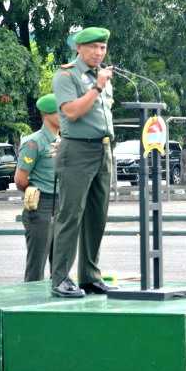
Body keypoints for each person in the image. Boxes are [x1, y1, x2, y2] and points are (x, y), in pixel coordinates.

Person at [50, 26, 116, 298]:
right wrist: (97, 86)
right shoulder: (66, 75)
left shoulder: (104, 77)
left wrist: (102, 84)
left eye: (102, 48)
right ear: (79, 48)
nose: (99, 52)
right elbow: (72, 112)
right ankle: (61, 278)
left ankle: (90, 275)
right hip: (77, 150)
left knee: (96, 217)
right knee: (70, 216)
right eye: (93, 47)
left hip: (103, 150)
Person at [15, 94, 60, 282]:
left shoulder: (62, 140)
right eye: (61, 111)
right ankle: (31, 302)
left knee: (60, 261)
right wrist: (35, 192)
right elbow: (20, 179)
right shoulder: (34, 142)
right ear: (48, 114)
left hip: (60, 203)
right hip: (41, 205)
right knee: (37, 263)